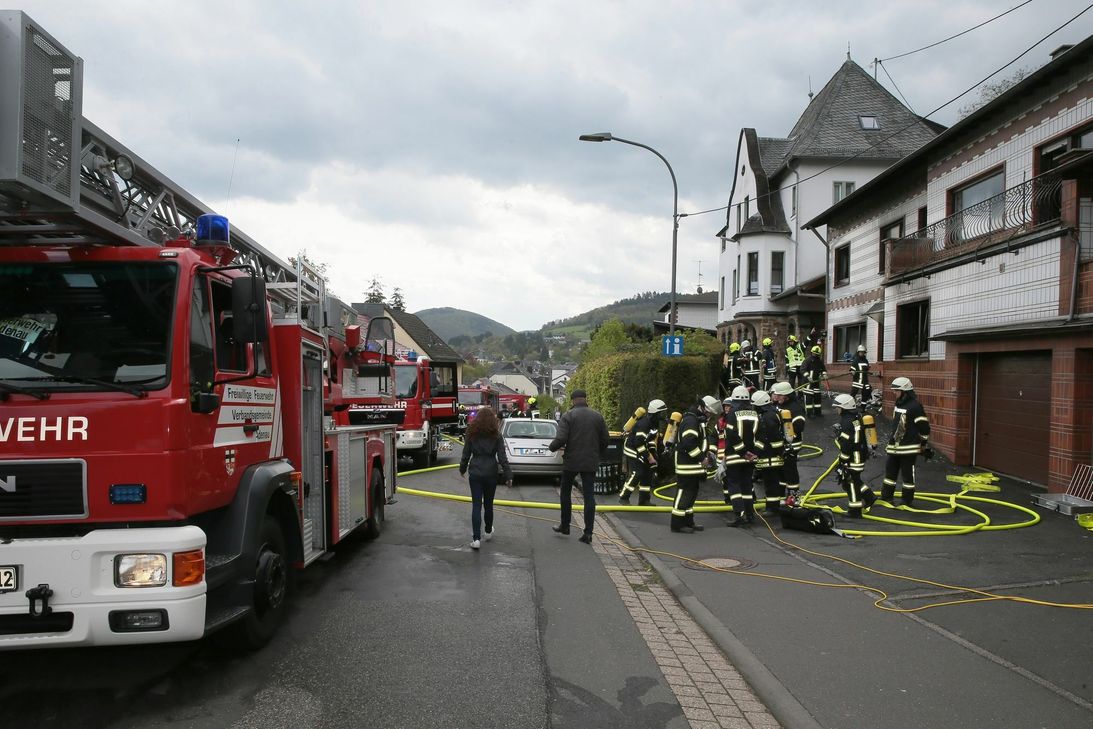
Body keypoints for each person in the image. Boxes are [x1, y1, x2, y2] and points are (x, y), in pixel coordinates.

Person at [549, 389, 610, 544]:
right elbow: (605, 439)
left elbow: (561, 438)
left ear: (572, 401)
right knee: (589, 496)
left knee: (565, 492)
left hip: (571, 461)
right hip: (590, 460)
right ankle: (588, 532)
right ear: (585, 399)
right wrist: (596, 452)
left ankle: (565, 525)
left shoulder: (568, 416)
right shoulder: (597, 416)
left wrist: (551, 447)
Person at [458, 407, 512, 549]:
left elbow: (466, 454)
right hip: (491, 472)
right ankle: (488, 531)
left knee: (476, 505)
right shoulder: (497, 435)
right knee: (489, 504)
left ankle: (476, 539)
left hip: (475, 471)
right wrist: (508, 475)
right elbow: (502, 457)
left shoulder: (471, 433)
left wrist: (462, 469)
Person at [671, 396, 718, 533]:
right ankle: (677, 524)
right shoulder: (691, 420)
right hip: (687, 466)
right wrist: (702, 458)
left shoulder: (697, 420)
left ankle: (688, 521)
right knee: (684, 493)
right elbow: (689, 442)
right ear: (702, 408)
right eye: (709, 413)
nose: (709, 416)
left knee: (691, 494)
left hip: (693, 467)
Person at [883, 377, 931, 507]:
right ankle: (886, 498)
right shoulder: (899, 403)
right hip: (894, 447)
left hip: (908, 449)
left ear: (905, 391)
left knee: (907, 476)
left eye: (896, 390)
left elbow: (924, 426)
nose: (894, 393)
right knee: (890, 474)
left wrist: (923, 443)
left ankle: (906, 501)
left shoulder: (915, 406)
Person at [832, 394, 877, 518]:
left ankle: (854, 510)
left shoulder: (846, 421)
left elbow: (848, 443)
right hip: (860, 454)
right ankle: (869, 496)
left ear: (844, 408)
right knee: (854, 480)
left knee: (850, 481)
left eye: (838, 407)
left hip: (853, 456)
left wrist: (843, 459)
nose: (837, 410)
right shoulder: (856, 417)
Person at [620, 398, 666, 506]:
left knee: (647, 472)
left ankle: (644, 500)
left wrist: (654, 454)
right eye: (661, 413)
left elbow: (650, 441)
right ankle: (624, 497)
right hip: (632, 448)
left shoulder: (654, 424)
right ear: (655, 413)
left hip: (641, 447)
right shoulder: (643, 424)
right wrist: (649, 457)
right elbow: (638, 443)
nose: (663, 415)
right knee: (638, 473)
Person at [722, 386, 758, 525]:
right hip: (750, 459)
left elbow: (731, 434)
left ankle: (739, 515)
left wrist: (742, 452)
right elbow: (759, 434)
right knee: (747, 486)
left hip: (735, 456)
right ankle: (750, 515)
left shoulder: (732, 413)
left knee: (734, 485)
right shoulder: (753, 412)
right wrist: (753, 453)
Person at [750, 390, 786, 513]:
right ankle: (772, 505)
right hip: (772, 455)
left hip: (771, 457)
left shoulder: (767, 417)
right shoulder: (773, 413)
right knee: (771, 482)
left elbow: (770, 437)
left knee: (771, 483)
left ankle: (772, 508)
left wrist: (758, 451)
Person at [771, 381, 806, 504]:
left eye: (779, 395)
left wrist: (788, 433)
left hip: (792, 445)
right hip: (781, 443)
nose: (777, 397)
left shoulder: (795, 408)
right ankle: (782, 496)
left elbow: (799, 424)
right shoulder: (780, 404)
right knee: (780, 470)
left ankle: (794, 497)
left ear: (786, 395)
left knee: (790, 470)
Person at [801, 345, 828, 418]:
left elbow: (823, 369)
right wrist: (808, 377)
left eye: (816, 354)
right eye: (814, 353)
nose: (815, 355)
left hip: (816, 383)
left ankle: (817, 412)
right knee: (809, 399)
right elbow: (803, 370)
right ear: (811, 353)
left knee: (817, 398)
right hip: (808, 383)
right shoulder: (807, 360)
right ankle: (809, 413)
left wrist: (824, 374)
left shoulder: (819, 361)